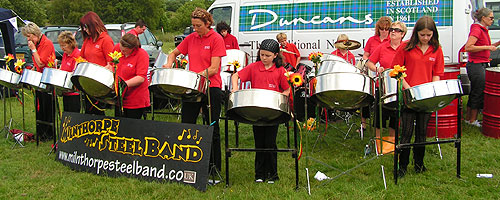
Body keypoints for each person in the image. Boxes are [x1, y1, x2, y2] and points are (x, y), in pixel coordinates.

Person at [162, 7, 226, 178]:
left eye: (198, 26)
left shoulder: (216, 39)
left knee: (211, 125)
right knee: (187, 124)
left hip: (211, 87)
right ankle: (188, 163)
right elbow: (174, 53)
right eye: (193, 26)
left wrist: (194, 76)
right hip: (191, 87)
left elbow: (213, 68)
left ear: (208, 24)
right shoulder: (191, 38)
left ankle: (213, 166)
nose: (195, 29)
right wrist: (169, 63)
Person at [230, 39, 290, 184]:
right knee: (259, 143)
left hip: (272, 111)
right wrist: (235, 88)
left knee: (270, 142)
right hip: (256, 111)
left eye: (267, 56)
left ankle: (272, 174)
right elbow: (235, 75)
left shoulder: (280, 70)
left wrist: (283, 98)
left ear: (275, 55)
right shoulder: (254, 67)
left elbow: (287, 88)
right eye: (262, 55)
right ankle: (259, 174)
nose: (264, 58)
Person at [391, 16, 444, 178]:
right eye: (423, 35)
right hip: (409, 94)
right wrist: (409, 89)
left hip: (426, 97)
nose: (426, 38)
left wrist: (431, 89)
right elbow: (397, 71)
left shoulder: (436, 49)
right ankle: (403, 166)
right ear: (416, 33)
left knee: (422, 132)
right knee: (406, 132)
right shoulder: (406, 47)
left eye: (429, 35)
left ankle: (419, 164)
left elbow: (437, 73)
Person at [365, 21, 407, 143]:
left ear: (402, 34)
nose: (393, 31)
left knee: (395, 114)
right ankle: (378, 141)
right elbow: (369, 62)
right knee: (380, 113)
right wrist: (377, 69)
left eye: (396, 30)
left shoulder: (406, 47)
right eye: (391, 29)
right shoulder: (382, 47)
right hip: (383, 85)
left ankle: (392, 140)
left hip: (400, 85)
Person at [464, 8, 500, 128]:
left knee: (474, 91)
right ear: (483, 18)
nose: (492, 20)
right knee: (478, 92)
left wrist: (495, 44)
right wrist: (487, 47)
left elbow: (487, 47)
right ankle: (472, 120)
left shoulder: (483, 30)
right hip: (476, 65)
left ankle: (468, 118)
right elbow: (468, 47)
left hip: (479, 64)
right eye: (491, 17)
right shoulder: (477, 29)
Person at [22, 22, 56, 141]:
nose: (28, 39)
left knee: (47, 106)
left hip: (48, 79)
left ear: (35, 34)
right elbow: (37, 64)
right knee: (39, 106)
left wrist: (33, 50)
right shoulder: (37, 44)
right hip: (39, 78)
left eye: (29, 36)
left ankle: (48, 134)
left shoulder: (46, 43)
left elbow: (41, 62)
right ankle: (41, 132)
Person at [105, 33, 150, 119]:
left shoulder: (142, 55)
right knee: (119, 126)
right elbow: (111, 65)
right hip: (120, 98)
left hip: (135, 99)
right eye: (121, 49)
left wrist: (123, 85)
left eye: (124, 51)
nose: (121, 52)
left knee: (131, 128)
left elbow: (140, 77)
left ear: (133, 48)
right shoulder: (118, 48)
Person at [79, 11, 115, 115]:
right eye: (83, 28)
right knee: (88, 112)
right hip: (88, 81)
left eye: (87, 27)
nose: (85, 30)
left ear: (94, 25)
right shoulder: (87, 40)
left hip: (99, 83)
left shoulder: (106, 40)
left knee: (97, 113)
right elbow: (81, 58)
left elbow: (111, 63)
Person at [360, 16, 392, 131]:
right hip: (373, 70)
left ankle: (387, 126)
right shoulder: (372, 40)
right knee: (366, 95)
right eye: (382, 29)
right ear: (378, 29)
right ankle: (363, 123)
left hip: (386, 74)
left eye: (387, 29)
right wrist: (372, 67)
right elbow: (366, 55)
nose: (384, 31)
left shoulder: (391, 41)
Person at [57, 31, 81, 113]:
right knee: (66, 115)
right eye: (61, 46)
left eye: (64, 45)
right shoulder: (65, 54)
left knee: (73, 116)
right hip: (66, 91)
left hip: (74, 93)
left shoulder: (77, 55)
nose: (62, 48)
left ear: (71, 44)